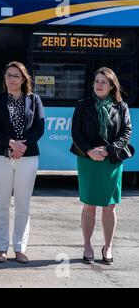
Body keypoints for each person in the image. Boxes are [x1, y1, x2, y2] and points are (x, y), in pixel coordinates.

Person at [70, 67, 132, 265]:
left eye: (103, 81)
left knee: (110, 206)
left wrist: (108, 150)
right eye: (96, 81)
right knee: (89, 205)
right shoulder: (83, 105)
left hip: (111, 161)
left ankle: (108, 247)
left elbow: (126, 132)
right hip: (88, 160)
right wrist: (90, 151)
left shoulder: (121, 107)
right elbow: (76, 133)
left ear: (112, 85)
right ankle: (87, 246)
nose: (98, 84)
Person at [0, 61, 44, 264]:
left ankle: (20, 248)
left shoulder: (34, 100)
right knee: (1, 203)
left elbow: (39, 128)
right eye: (8, 75)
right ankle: (2, 248)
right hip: (1, 157)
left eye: (16, 76)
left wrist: (23, 146)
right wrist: (11, 143)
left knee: (23, 204)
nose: (11, 79)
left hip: (27, 158)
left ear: (23, 79)